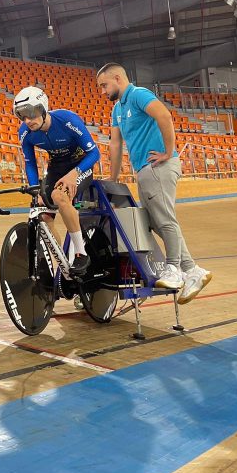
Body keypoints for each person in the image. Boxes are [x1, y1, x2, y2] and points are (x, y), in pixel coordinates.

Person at [95, 63, 211, 302]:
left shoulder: (138, 94)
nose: (102, 91)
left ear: (117, 78)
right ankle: (193, 270)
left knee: (166, 220)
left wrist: (168, 152)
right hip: (144, 171)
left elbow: (164, 115)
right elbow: (115, 144)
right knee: (155, 222)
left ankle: (174, 269)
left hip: (158, 167)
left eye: (104, 85)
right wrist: (114, 177)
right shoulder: (117, 109)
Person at [15, 86, 100, 278]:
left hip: (80, 165)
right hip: (57, 168)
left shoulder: (67, 120)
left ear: (43, 108)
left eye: (31, 113)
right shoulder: (25, 132)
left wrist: (75, 173)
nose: (28, 120)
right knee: (43, 214)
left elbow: (94, 153)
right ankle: (63, 263)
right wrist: (36, 189)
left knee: (59, 196)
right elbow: (30, 163)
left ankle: (81, 253)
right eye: (22, 115)